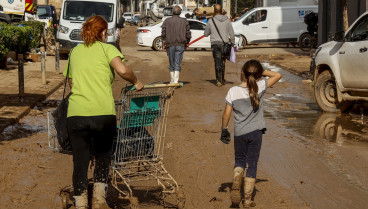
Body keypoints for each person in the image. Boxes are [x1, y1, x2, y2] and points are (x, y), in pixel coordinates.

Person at [63, 15, 143, 209]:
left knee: (80, 161)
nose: (107, 35)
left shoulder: (74, 52)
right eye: (106, 32)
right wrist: (136, 81)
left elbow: (72, 83)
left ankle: (81, 203)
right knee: (103, 157)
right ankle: (99, 199)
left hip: (76, 115)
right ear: (102, 32)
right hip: (103, 115)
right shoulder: (108, 49)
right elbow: (123, 70)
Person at [220, 60, 282, 208]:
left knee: (239, 160)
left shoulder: (233, 91)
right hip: (256, 133)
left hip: (240, 133)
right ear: (258, 74)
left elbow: (226, 115)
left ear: (243, 73)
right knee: (252, 164)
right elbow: (278, 75)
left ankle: (236, 179)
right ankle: (247, 200)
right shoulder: (260, 86)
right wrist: (261, 72)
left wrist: (224, 130)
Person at [204, 4, 235, 87]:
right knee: (223, 62)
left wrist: (211, 31)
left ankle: (219, 80)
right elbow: (231, 33)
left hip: (215, 44)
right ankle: (222, 79)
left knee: (217, 62)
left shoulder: (211, 21)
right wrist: (232, 42)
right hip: (225, 44)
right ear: (222, 11)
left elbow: (206, 34)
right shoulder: (227, 20)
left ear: (214, 11)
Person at [161, 6, 191, 84]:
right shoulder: (184, 21)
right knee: (177, 62)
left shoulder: (167, 21)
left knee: (172, 63)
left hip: (170, 45)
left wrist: (163, 43)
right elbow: (188, 34)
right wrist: (187, 42)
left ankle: (172, 81)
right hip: (181, 45)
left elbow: (163, 33)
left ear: (172, 12)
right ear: (180, 13)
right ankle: (175, 81)